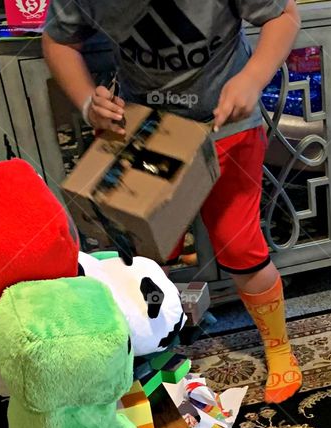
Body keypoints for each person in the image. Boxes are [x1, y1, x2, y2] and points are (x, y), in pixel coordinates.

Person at [43, 0, 304, 404]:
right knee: (142, 257)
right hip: (145, 129)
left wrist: (253, 78)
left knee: (239, 245)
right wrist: (87, 103)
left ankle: (279, 347)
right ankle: (153, 353)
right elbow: (58, 40)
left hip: (227, 126)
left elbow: (285, 14)